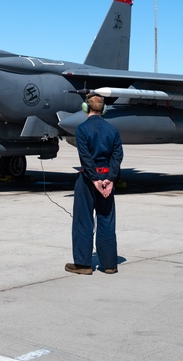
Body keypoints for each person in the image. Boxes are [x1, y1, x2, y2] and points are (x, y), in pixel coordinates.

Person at [66, 91, 123, 276]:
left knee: (84, 221)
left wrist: (95, 179)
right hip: (108, 180)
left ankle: (83, 264)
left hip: (87, 181)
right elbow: (117, 156)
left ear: (85, 107)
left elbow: (85, 157)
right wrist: (110, 179)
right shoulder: (112, 130)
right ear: (103, 109)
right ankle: (109, 265)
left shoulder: (82, 129)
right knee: (106, 220)